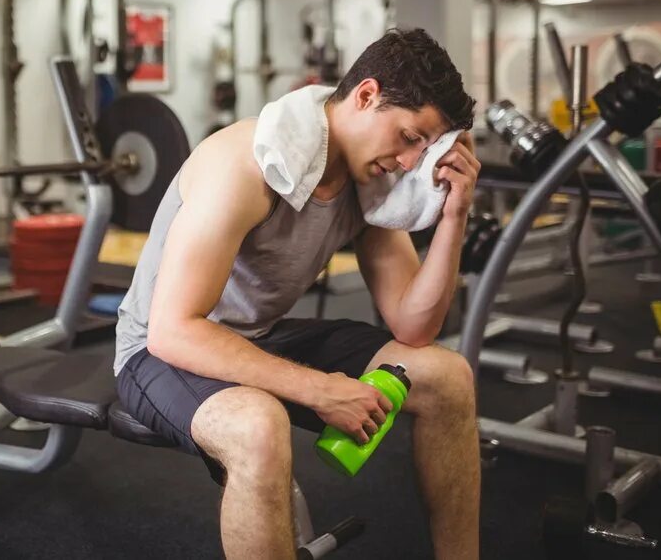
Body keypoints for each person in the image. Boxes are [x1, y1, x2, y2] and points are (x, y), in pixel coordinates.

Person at [114, 28, 481, 559]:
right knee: (258, 427)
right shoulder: (244, 164)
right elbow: (175, 332)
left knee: (447, 377)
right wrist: (319, 391)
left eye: (424, 148)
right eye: (408, 136)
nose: (408, 162)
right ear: (366, 95)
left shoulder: (367, 182)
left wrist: (455, 215)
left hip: (256, 337)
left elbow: (414, 327)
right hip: (158, 351)